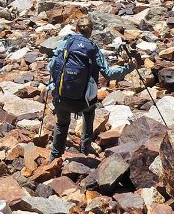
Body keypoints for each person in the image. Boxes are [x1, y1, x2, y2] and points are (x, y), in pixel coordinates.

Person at [47, 16, 132, 160]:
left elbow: (51, 66)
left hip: (61, 97)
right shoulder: (93, 49)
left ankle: (55, 157)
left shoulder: (65, 43)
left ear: (76, 29)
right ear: (90, 31)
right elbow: (109, 74)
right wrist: (130, 67)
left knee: (62, 123)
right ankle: (85, 145)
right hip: (82, 102)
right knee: (90, 111)